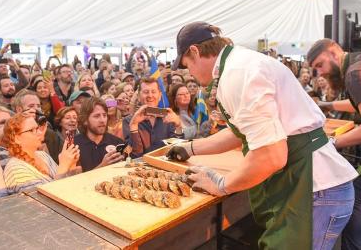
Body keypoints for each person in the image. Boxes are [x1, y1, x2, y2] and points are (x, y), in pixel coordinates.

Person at [166, 22, 358, 249]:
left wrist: (222, 184)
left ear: (195, 51)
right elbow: (241, 133)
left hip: (314, 191)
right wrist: (191, 148)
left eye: (187, 66)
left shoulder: (238, 74)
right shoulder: (242, 63)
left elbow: (272, 155)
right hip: (316, 186)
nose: (190, 74)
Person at [307, 38, 361, 250]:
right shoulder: (357, 64)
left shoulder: (353, 74)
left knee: (355, 222)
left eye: (320, 65)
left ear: (333, 51)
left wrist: (330, 142)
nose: (320, 73)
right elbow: (355, 102)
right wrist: (326, 104)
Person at [3, 113, 80, 194]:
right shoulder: (15, 169)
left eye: (37, 128)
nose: (40, 132)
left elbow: (66, 186)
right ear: (17, 138)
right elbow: (40, 201)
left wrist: (71, 166)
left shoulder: (42, 155)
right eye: (32, 130)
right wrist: (64, 165)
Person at [123, 77, 182, 158]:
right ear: (139, 96)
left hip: (165, 166)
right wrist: (134, 126)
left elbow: (178, 148)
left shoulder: (168, 117)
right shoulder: (129, 121)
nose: (150, 95)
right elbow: (134, 155)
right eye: (146, 92)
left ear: (160, 96)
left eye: (153, 92)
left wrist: (179, 126)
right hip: (141, 168)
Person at [75, 97, 124, 172]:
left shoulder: (118, 143)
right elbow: (74, 180)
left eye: (104, 115)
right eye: (97, 116)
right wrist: (102, 166)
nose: (102, 120)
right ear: (85, 120)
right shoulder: (74, 145)